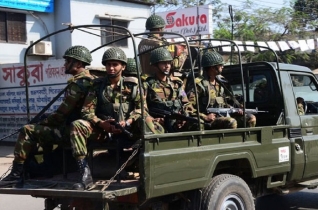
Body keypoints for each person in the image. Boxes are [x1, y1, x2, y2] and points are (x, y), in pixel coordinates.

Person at [69, 47, 163, 190]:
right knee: (78, 125)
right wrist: (101, 123)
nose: (111, 68)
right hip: (104, 131)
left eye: (115, 64)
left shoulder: (133, 86)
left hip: (129, 131)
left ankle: (150, 168)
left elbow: (141, 109)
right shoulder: (97, 86)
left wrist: (129, 121)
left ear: (123, 66)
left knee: (147, 121)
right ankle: (85, 175)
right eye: (108, 64)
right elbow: (87, 111)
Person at [0, 46, 95, 187]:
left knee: (27, 130)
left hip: (73, 130)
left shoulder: (79, 84)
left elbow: (62, 114)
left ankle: (16, 175)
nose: (65, 64)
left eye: (68, 61)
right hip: (79, 129)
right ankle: (41, 168)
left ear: (79, 64)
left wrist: (44, 121)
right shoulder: (88, 80)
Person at [187, 51, 256, 129]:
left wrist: (235, 110)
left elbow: (224, 103)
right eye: (220, 65)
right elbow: (188, 107)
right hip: (208, 119)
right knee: (231, 122)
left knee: (251, 118)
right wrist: (205, 116)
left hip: (222, 115)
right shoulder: (199, 84)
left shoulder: (221, 83)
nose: (223, 66)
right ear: (213, 67)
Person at [145, 48, 197, 132]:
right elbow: (143, 108)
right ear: (155, 65)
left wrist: (185, 116)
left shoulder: (177, 83)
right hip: (158, 121)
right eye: (163, 63)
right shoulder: (147, 84)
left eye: (169, 62)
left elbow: (186, 103)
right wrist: (152, 118)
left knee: (198, 123)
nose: (167, 65)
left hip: (177, 120)